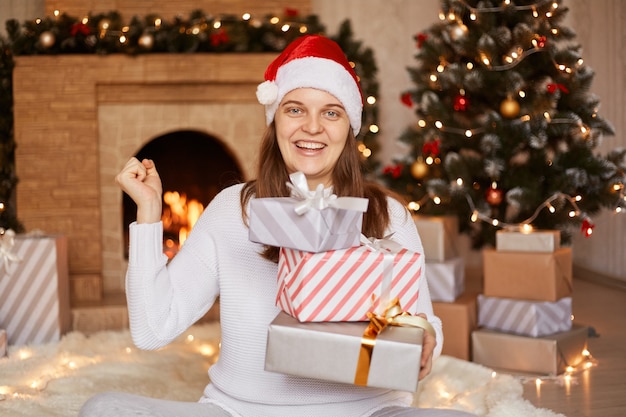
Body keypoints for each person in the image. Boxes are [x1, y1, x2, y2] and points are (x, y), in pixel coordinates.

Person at [79, 35, 476, 417]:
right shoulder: (232, 209)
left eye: (331, 112)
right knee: (103, 410)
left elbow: (423, 323)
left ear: (349, 128)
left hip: (368, 410)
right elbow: (152, 329)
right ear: (276, 120)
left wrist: (426, 341)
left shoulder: (386, 214)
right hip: (241, 411)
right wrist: (149, 212)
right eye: (295, 109)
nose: (313, 127)